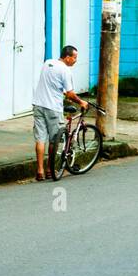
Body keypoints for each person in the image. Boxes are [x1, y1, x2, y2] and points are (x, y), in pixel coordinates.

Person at [32, 45, 88, 181]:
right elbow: (70, 94)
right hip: (53, 108)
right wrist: (81, 102)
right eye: (74, 58)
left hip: (38, 104)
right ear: (67, 58)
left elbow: (51, 83)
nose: (75, 61)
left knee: (40, 139)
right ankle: (50, 170)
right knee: (54, 140)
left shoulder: (48, 63)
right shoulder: (65, 71)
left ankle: (39, 171)